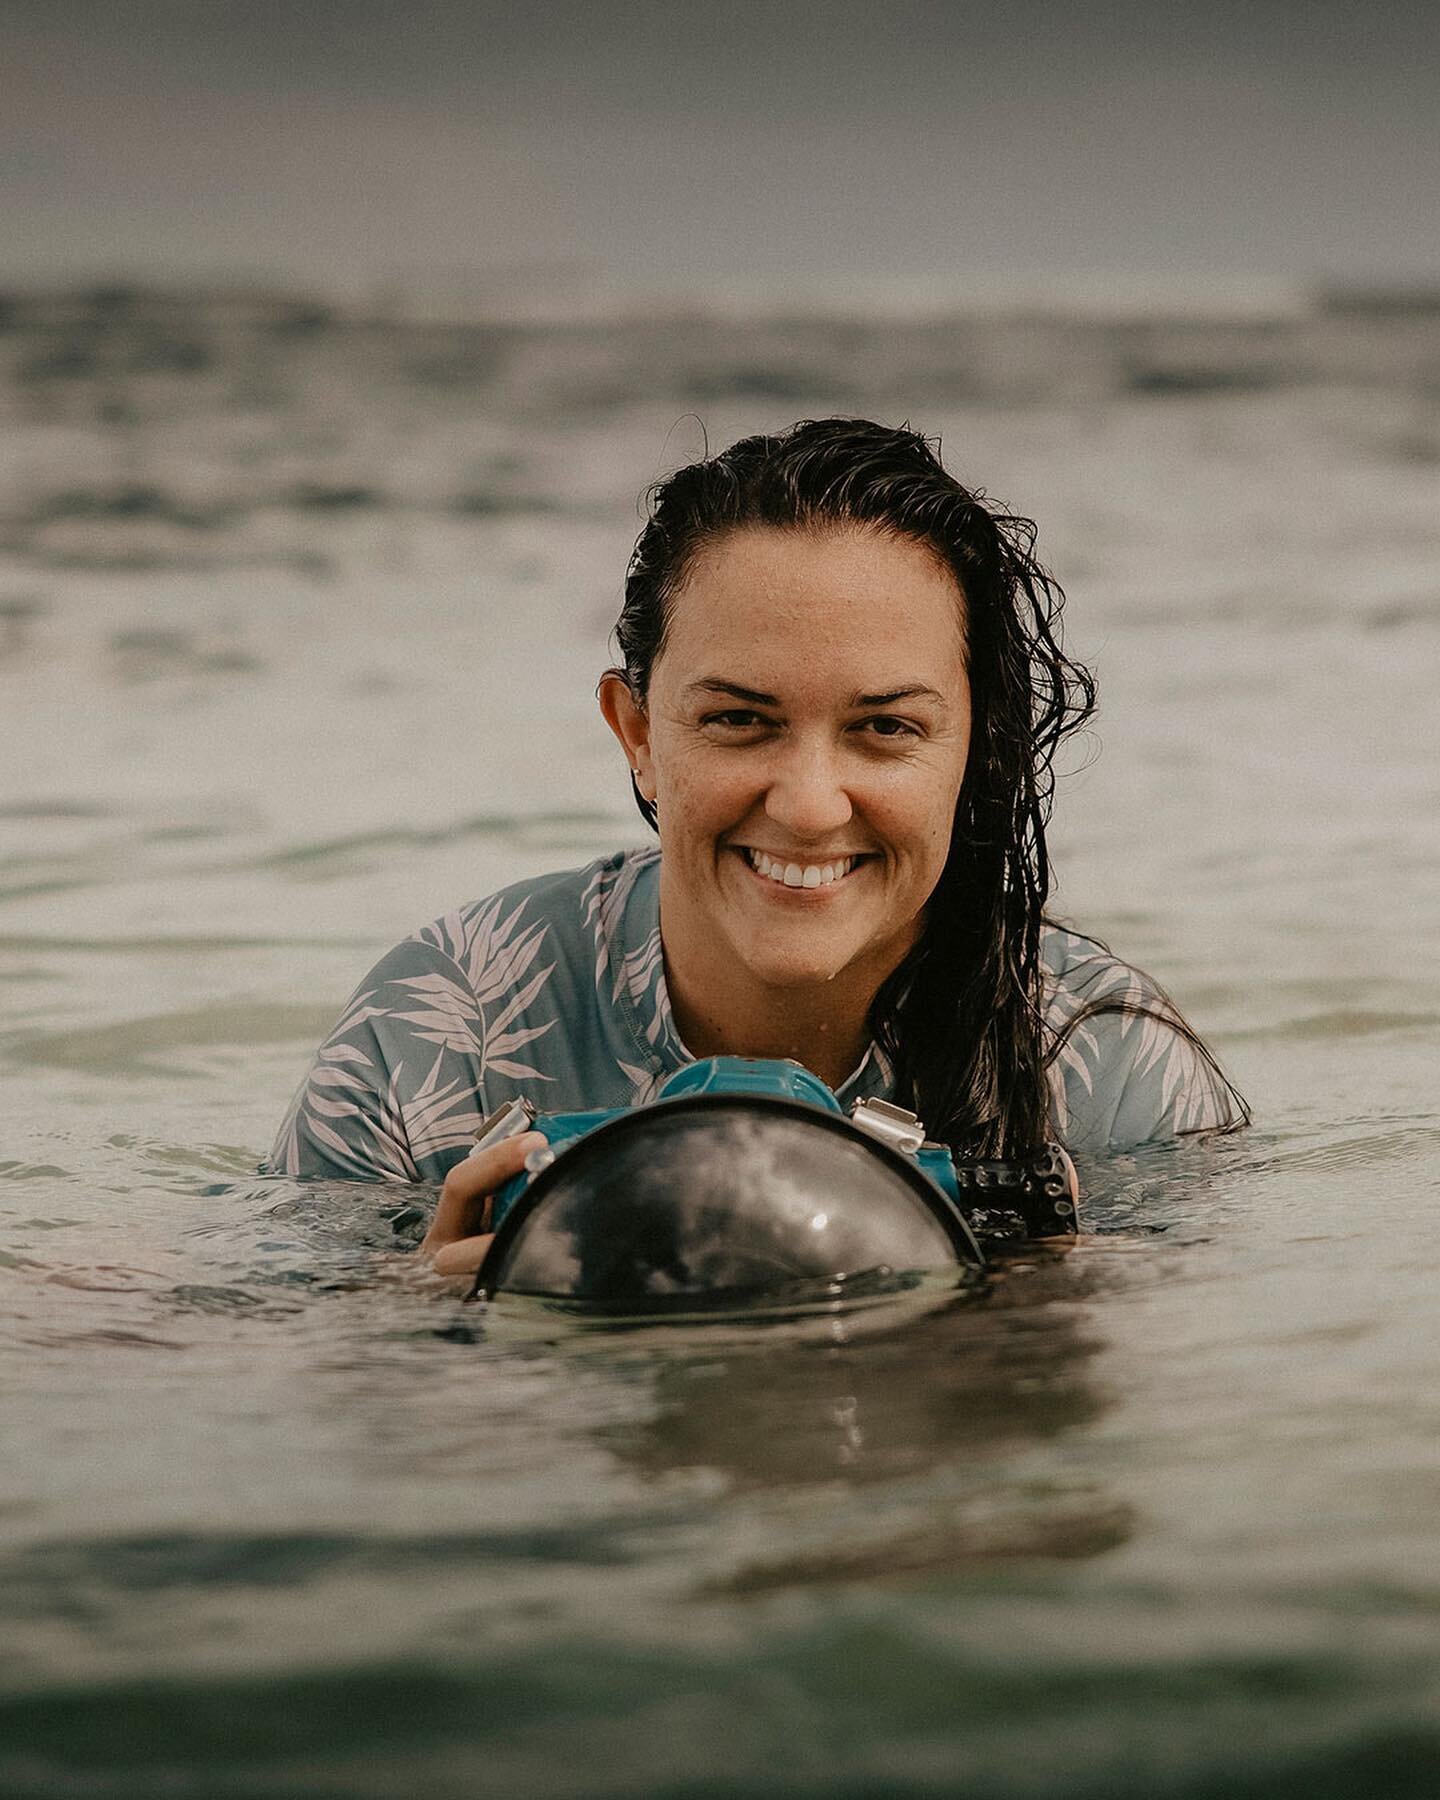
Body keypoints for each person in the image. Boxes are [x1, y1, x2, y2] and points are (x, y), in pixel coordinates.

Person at [268, 418, 1247, 1273]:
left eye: (886, 728)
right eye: (740, 720)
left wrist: (1027, 1307)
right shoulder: (441, 1031)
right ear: (639, 734)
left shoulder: (1104, 1063)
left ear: (975, 749)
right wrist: (423, 1328)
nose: (812, 806)